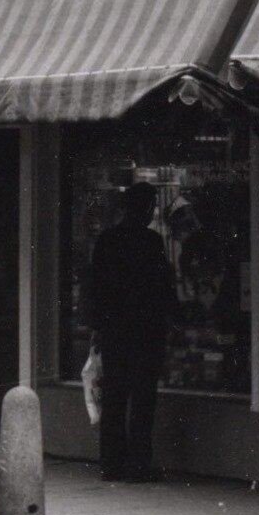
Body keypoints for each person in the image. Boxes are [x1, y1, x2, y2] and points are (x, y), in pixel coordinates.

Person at [87, 181, 178, 483]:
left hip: (115, 329)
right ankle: (137, 463)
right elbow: (161, 286)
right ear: (147, 208)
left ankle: (111, 462)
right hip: (144, 330)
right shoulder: (150, 241)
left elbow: (96, 287)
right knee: (142, 398)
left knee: (114, 395)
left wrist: (98, 326)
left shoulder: (107, 240)